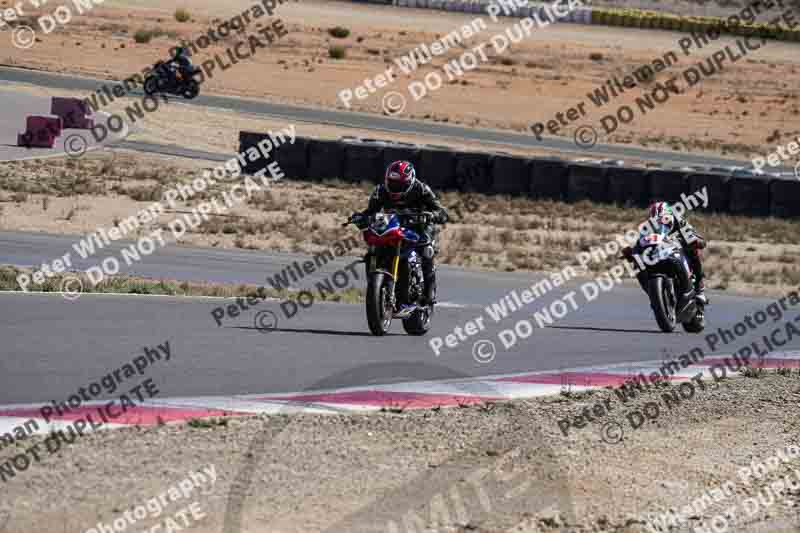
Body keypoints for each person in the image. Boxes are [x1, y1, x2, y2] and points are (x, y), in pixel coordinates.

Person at [353, 160, 449, 306]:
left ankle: (429, 291)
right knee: (373, 249)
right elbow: (371, 211)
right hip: (393, 225)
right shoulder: (380, 191)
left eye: (399, 184)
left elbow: (441, 212)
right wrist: (360, 217)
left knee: (426, 250)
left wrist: (431, 215)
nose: (395, 187)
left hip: (419, 226)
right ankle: (376, 286)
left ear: (410, 181)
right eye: (392, 183)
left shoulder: (421, 189)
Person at [625, 201, 708, 305]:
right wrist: (632, 252)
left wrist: (695, 241)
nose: (660, 223)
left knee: (693, 250)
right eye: (656, 221)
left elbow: (698, 238)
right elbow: (640, 243)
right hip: (658, 254)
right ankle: (653, 294)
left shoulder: (679, 221)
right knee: (638, 264)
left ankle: (699, 288)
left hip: (678, 249)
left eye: (665, 219)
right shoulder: (647, 227)